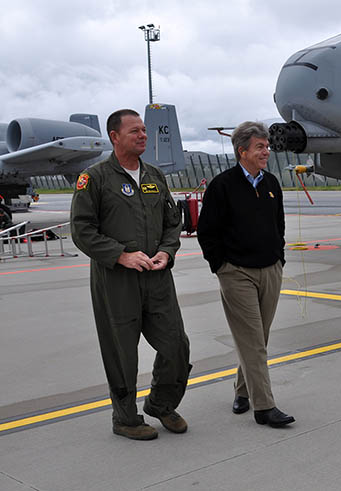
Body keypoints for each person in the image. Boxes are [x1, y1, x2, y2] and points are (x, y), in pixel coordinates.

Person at [70, 109, 191, 440]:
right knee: (121, 352)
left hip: (157, 278)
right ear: (115, 137)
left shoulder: (154, 176)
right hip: (116, 281)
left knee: (176, 345)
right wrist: (120, 255)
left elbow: (172, 222)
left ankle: (161, 403)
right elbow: (81, 229)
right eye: (135, 131)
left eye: (144, 131)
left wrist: (167, 251)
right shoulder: (94, 179)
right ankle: (125, 418)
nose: (143, 135)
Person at [197, 121, 294, 428]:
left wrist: (279, 258)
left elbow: (278, 225)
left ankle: (242, 390)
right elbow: (206, 231)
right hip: (236, 272)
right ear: (242, 151)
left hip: (270, 269)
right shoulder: (222, 186)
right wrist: (221, 266)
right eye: (260, 147)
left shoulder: (272, 184)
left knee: (257, 337)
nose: (266, 151)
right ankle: (264, 406)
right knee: (253, 341)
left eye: (267, 146)